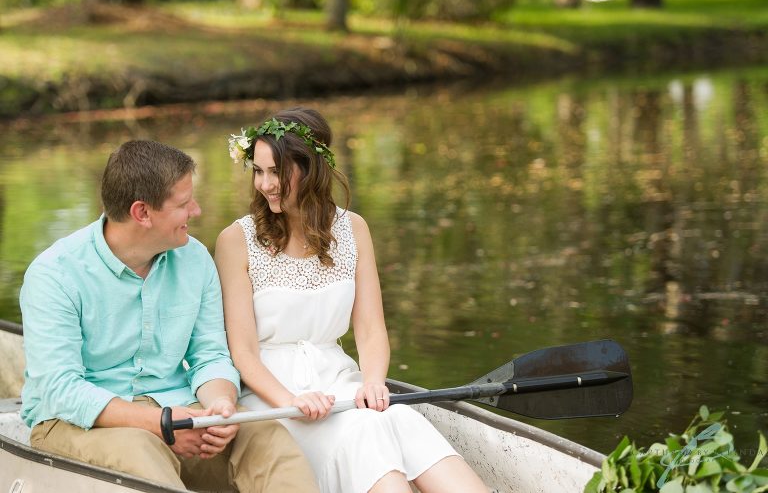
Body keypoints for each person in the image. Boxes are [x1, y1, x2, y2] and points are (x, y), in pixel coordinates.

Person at [19, 140, 319, 492]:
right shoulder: (54, 275)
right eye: (183, 203)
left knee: (264, 437)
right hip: (74, 422)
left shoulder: (195, 260)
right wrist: (158, 423)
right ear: (142, 213)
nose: (196, 210)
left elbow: (209, 355)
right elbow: (61, 389)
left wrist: (220, 407)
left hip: (179, 412)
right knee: (139, 449)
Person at [216, 108, 489, 493]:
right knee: (363, 434)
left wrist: (373, 382)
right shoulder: (236, 240)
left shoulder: (353, 228)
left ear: (311, 169)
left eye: (276, 172)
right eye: (258, 171)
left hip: (339, 381)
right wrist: (293, 399)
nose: (265, 184)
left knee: (399, 419)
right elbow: (242, 353)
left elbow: (371, 329)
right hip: (273, 398)